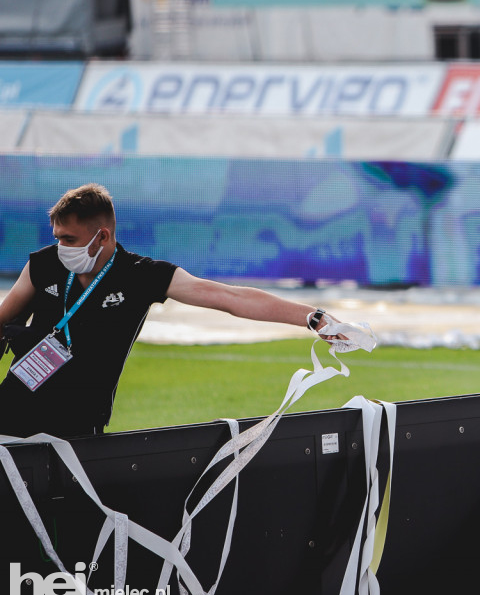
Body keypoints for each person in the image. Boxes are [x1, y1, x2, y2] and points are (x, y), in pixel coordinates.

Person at [0, 183, 350, 438]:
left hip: (77, 426)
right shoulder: (43, 264)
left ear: (102, 237)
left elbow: (230, 297)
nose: (60, 247)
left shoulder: (141, 275)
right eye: (57, 236)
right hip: (11, 410)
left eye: (69, 239)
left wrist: (312, 316)